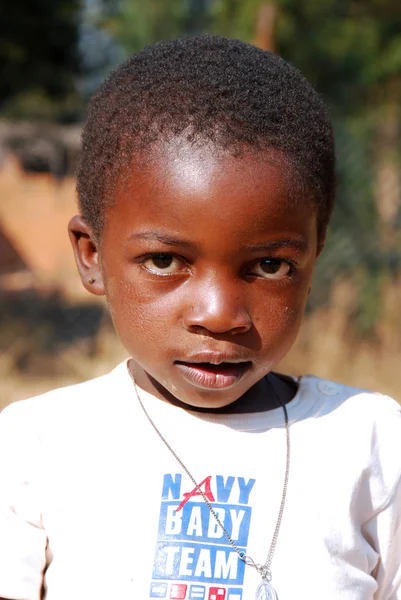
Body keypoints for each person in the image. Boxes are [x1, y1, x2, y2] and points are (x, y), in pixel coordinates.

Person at [0, 35, 400, 600]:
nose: (220, 315)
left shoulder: (370, 443)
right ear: (92, 258)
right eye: (165, 261)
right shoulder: (37, 446)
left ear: (313, 259)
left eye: (268, 264)